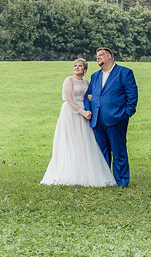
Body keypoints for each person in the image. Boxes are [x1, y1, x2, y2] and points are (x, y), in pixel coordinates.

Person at [41, 58, 116, 187]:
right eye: (75, 65)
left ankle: (84, 172)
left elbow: (91, 96)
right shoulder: (68, 80)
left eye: (80, 66)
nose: (76, 67)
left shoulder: (86, 82)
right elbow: (69, 99)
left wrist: (91, 102)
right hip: (71, 112)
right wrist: (82, 112)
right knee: (71, 140)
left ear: (85, 69)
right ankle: (68, 171)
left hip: (84, 113)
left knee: (84, 141)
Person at [84, 46, 138, 187]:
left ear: (109, 56)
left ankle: (121, 182)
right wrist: (89, 111)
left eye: (101, 55)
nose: (98, 58)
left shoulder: (124, 73)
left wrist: (126, 114)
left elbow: (132, 95)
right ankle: (105, 180)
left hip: (117, 118)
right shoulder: (95, 76)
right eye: (96, 56)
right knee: (101, 152)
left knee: (119, 151)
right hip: (97, 119)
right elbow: (88, 96)